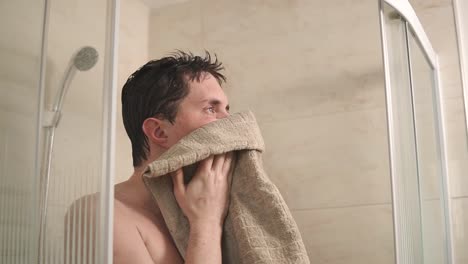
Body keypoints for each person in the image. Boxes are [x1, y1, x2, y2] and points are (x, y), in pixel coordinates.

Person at [113, 51, 233, 263]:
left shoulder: (224, 204)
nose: (231, 122)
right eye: (210, 109)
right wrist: (207, 224)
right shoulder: (105, 214)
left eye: (226, 109)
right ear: (159, 131)